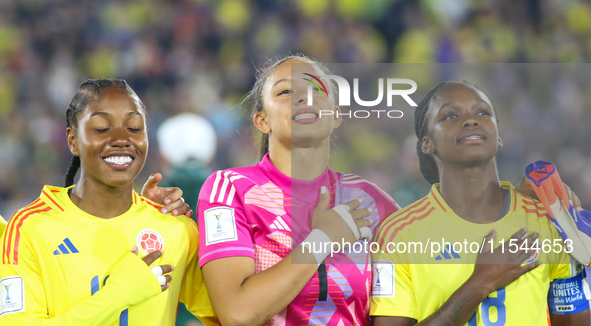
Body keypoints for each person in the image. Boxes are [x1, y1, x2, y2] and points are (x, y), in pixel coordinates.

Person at [197, 54, 401, 325]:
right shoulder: (229, 189)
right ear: (262, 121)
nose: (305, 98)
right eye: (285, 91)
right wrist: (323, 239)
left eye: (318, 89)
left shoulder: (373, 202)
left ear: (336, 115)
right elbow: (238, 313)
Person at [371, 81, 590, 325]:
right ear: (427, 144)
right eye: (451, 115)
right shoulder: (399, 235)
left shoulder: (548, 222)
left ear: (498, 136)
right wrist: (481, 283)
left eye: (483, 112)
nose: (471, 120)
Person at [0, 79, 216, 325]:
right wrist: (119, 293)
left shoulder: (175, 229)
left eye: (134, 128)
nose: (121, 139)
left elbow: (234, 315)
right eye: (102, 128)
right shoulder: (29, 229)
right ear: (73, 141)